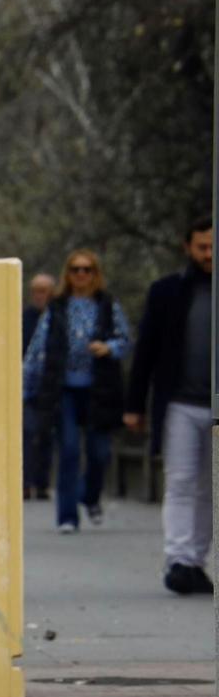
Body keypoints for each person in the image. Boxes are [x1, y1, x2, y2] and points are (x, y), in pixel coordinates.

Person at [125, 216, 214, 595]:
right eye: (202, 247)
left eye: (214, 247)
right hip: (180, 403)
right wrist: (134, 404)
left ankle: (195, 562)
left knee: (209, 487)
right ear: (188, 248)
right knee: (180, 482)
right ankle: (178, 560)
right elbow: (145, 349)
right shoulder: (167, 292)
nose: (209, 254)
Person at [23, 249, 131, 534]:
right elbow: (37, 348)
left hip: (99, 389)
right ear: (67, 274)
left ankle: (91, 497)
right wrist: (25, 387)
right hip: (64, 390)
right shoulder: (57, 307)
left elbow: (125, 339)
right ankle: (67, 516)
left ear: (95, 273)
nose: (81, 274)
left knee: (99, 452)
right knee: (69, 449)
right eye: (75, 269)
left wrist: (109, 347)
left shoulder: (107, 305)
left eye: (87, 269)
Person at [22, 273, 58, 500]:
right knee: (27, 432)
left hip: (52, 389)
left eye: (43, 290)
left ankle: (42, 483)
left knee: (47, 436)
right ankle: (25, 483)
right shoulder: (24, 318)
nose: (38, 295)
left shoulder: (59, 317)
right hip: (29, 389)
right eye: (35, 290)